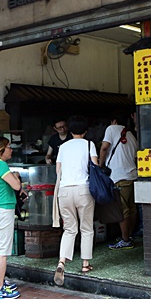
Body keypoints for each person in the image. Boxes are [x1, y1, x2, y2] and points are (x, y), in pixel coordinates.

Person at [53, 115, 98, 286]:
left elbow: (58, 171)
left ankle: (61, 262)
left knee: (69, 229)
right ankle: (85, 264)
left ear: (70, 131)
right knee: (86, 227)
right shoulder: (89, 145)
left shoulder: (63, 147)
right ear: (85, 131)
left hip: (64, 191)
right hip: (83, 190)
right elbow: (95, 166)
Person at [0, 136, 27, 299]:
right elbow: (16, 185)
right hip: (4, 211)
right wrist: (16, 175)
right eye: (9, 147)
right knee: (2, 251)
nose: (11, 150)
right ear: (0, 150)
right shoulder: (1, 165)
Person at [99, 111, 139, 250]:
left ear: (114, 121)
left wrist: (100, 164)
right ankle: (128, 235)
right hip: (132, 175)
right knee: (132, 209)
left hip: (119, 177)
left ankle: (125, 240)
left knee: (122, 210)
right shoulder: (131, 134)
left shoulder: (111, 129)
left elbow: (104, 147)